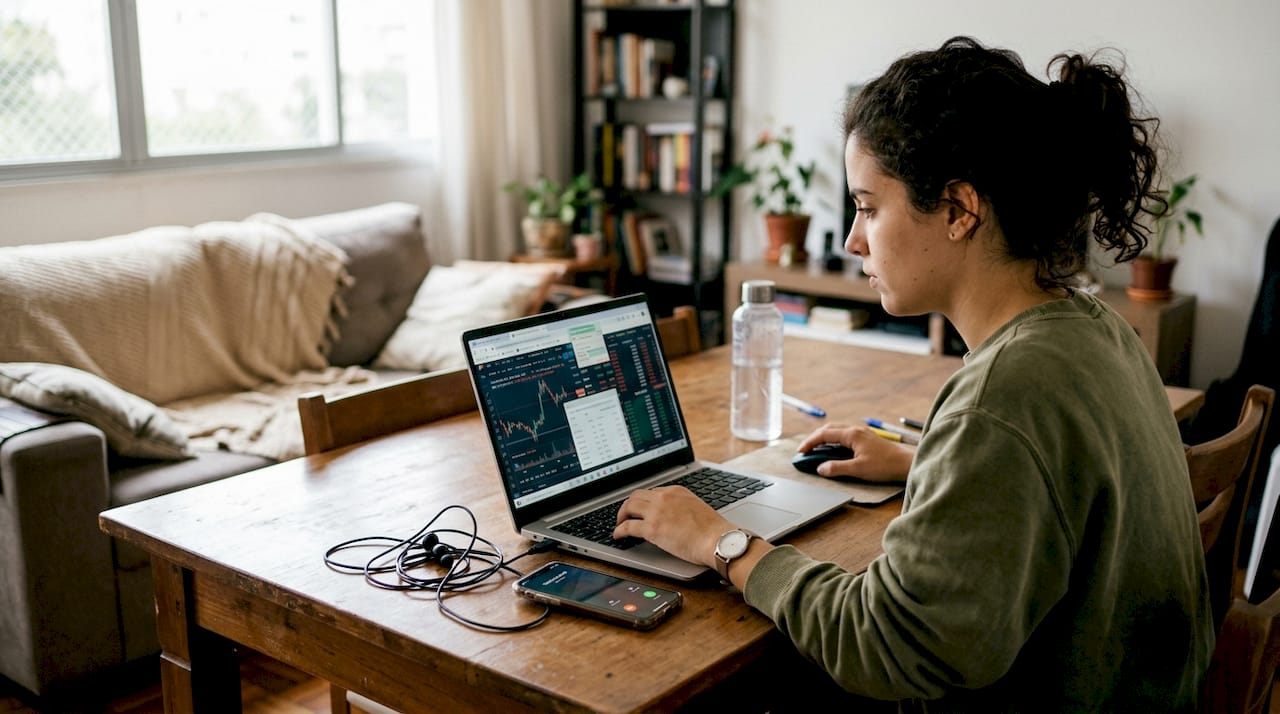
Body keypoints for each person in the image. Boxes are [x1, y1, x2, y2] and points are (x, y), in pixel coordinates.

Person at [613, 36, 1214, 711]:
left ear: (959, 210)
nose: (852, 240)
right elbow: (1059, 479)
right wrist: (928, 460)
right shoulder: (1094, 326)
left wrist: (719, 541)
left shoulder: (1002, 399)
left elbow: (886, 646)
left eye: (869, 207)